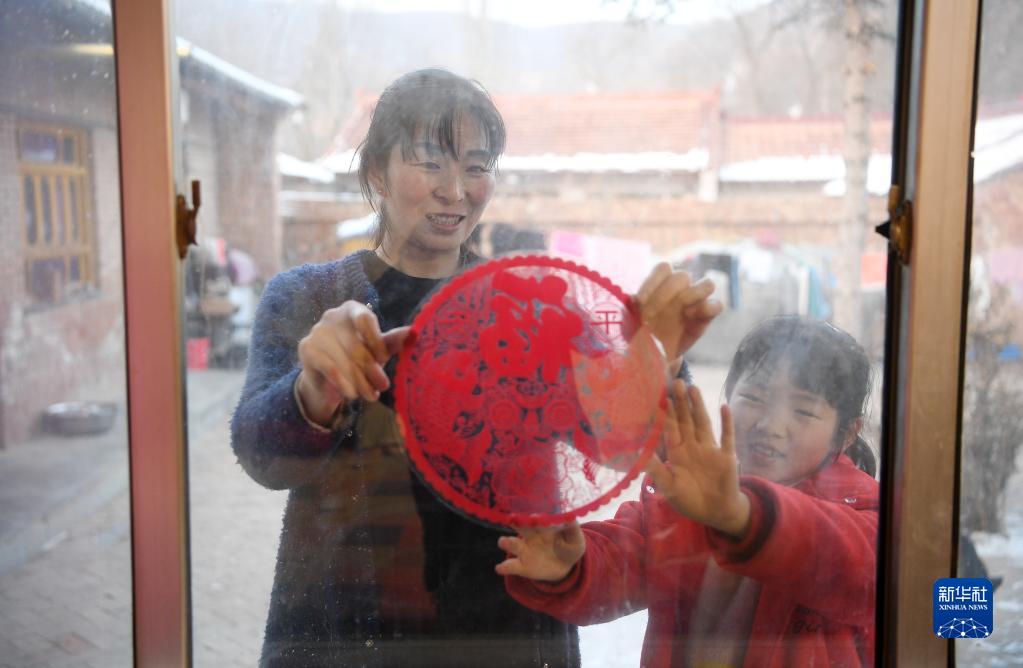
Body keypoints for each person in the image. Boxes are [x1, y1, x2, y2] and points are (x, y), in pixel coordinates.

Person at [231, 67, 721, 668]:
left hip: (507, 626)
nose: (455, 190)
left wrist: (654, 355)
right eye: (429, 163)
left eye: (476, 166)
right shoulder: (308, 298)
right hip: (345, 630)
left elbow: (634, 444)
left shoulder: (534, 304)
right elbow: (263, 458)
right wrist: (315, 389)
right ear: (377, 171)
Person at [498, 316, 879, 668]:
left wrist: (739, 515)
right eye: (753, 398)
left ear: (847, 433)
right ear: (728, 396)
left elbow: (851, 566)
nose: (770, 425)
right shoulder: (688, 495)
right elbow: (621, 563)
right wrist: (571, 566)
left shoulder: (868, 511)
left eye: (803, 411)